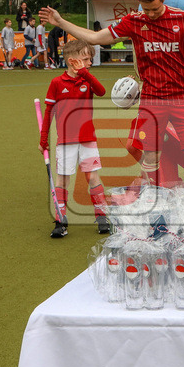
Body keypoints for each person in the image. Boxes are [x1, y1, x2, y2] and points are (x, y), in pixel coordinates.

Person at [39, 0, 184, 188]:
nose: (150, 14)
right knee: (151, 154)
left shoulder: (183, 18)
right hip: (152, 99)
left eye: (154, 8)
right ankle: (155, 197)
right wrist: (61, 22)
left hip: (183, 97)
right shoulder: (133, 21)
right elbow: (96, 37)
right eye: (146, 9)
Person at [38, 40, 111, 237]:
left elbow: (101, 91)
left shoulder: (87, 79)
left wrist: (85, 73)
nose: (89, 63)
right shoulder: (56, 83)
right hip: (65, 141)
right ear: (72, 61)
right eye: (86, 59)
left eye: (90, 59)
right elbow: (48, 112)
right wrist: (43, 138)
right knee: (62, 180)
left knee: (92, 177)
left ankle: (102, 216)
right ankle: (61, 219)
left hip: (88, 139)